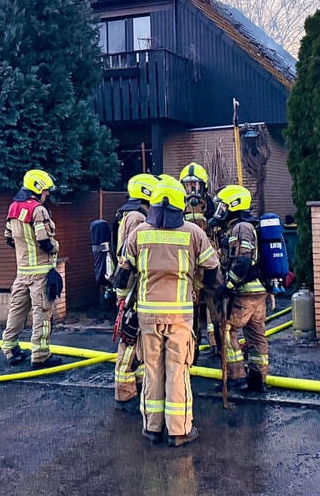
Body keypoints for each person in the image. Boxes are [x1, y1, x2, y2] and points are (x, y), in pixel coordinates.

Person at [116, 175, 220, 447]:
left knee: (152, 370)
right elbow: (212, 271)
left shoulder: (138, 234)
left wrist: (124, 304)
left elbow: (122, 276)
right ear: (180, 203)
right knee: (177, 370)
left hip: (147, 316)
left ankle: (152, 428)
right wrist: (201, 285)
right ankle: (179, 430)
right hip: (180, 316)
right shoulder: (193, 233)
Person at [1, 169, 63, 369]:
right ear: (37, 189)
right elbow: (44, 240)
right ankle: (41, 356)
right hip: (41, 273)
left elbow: (8, 237)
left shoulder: (13, 208)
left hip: (22, 272)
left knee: (16, 311)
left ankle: (10, 349)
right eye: (45, 191)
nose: (47, 194)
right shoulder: (38, 210)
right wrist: (55, 247)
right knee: (42, 314)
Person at [211, 184, 269, 393]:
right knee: (256, 335)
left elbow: (243, 261)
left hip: (245, 293)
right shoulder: (248, 225)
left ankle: (237, 377)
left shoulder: (240, 228)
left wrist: (228, 285)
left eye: (223, 206)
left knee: (227, 331)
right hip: (259, 291)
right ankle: (258, 378)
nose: (220, 211)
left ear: (234, 205)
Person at [112, 173, 158, 413]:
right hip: (133, 289)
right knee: (129, 340)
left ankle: (137, 384)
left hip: (132, 287)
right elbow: (132, 257)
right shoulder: (138, 217)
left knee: (138, 340)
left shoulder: (128, 214)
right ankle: (124, 392)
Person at [179, 163, 220, 358]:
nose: (192, 189)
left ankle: (218, 347)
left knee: (215, 309)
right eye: (188, 185)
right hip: (189, 266)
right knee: (191, 313)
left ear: (203, 186)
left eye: (195, 184)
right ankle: (191, 353)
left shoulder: (211, 205)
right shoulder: (178, 205)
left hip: (208, 264)